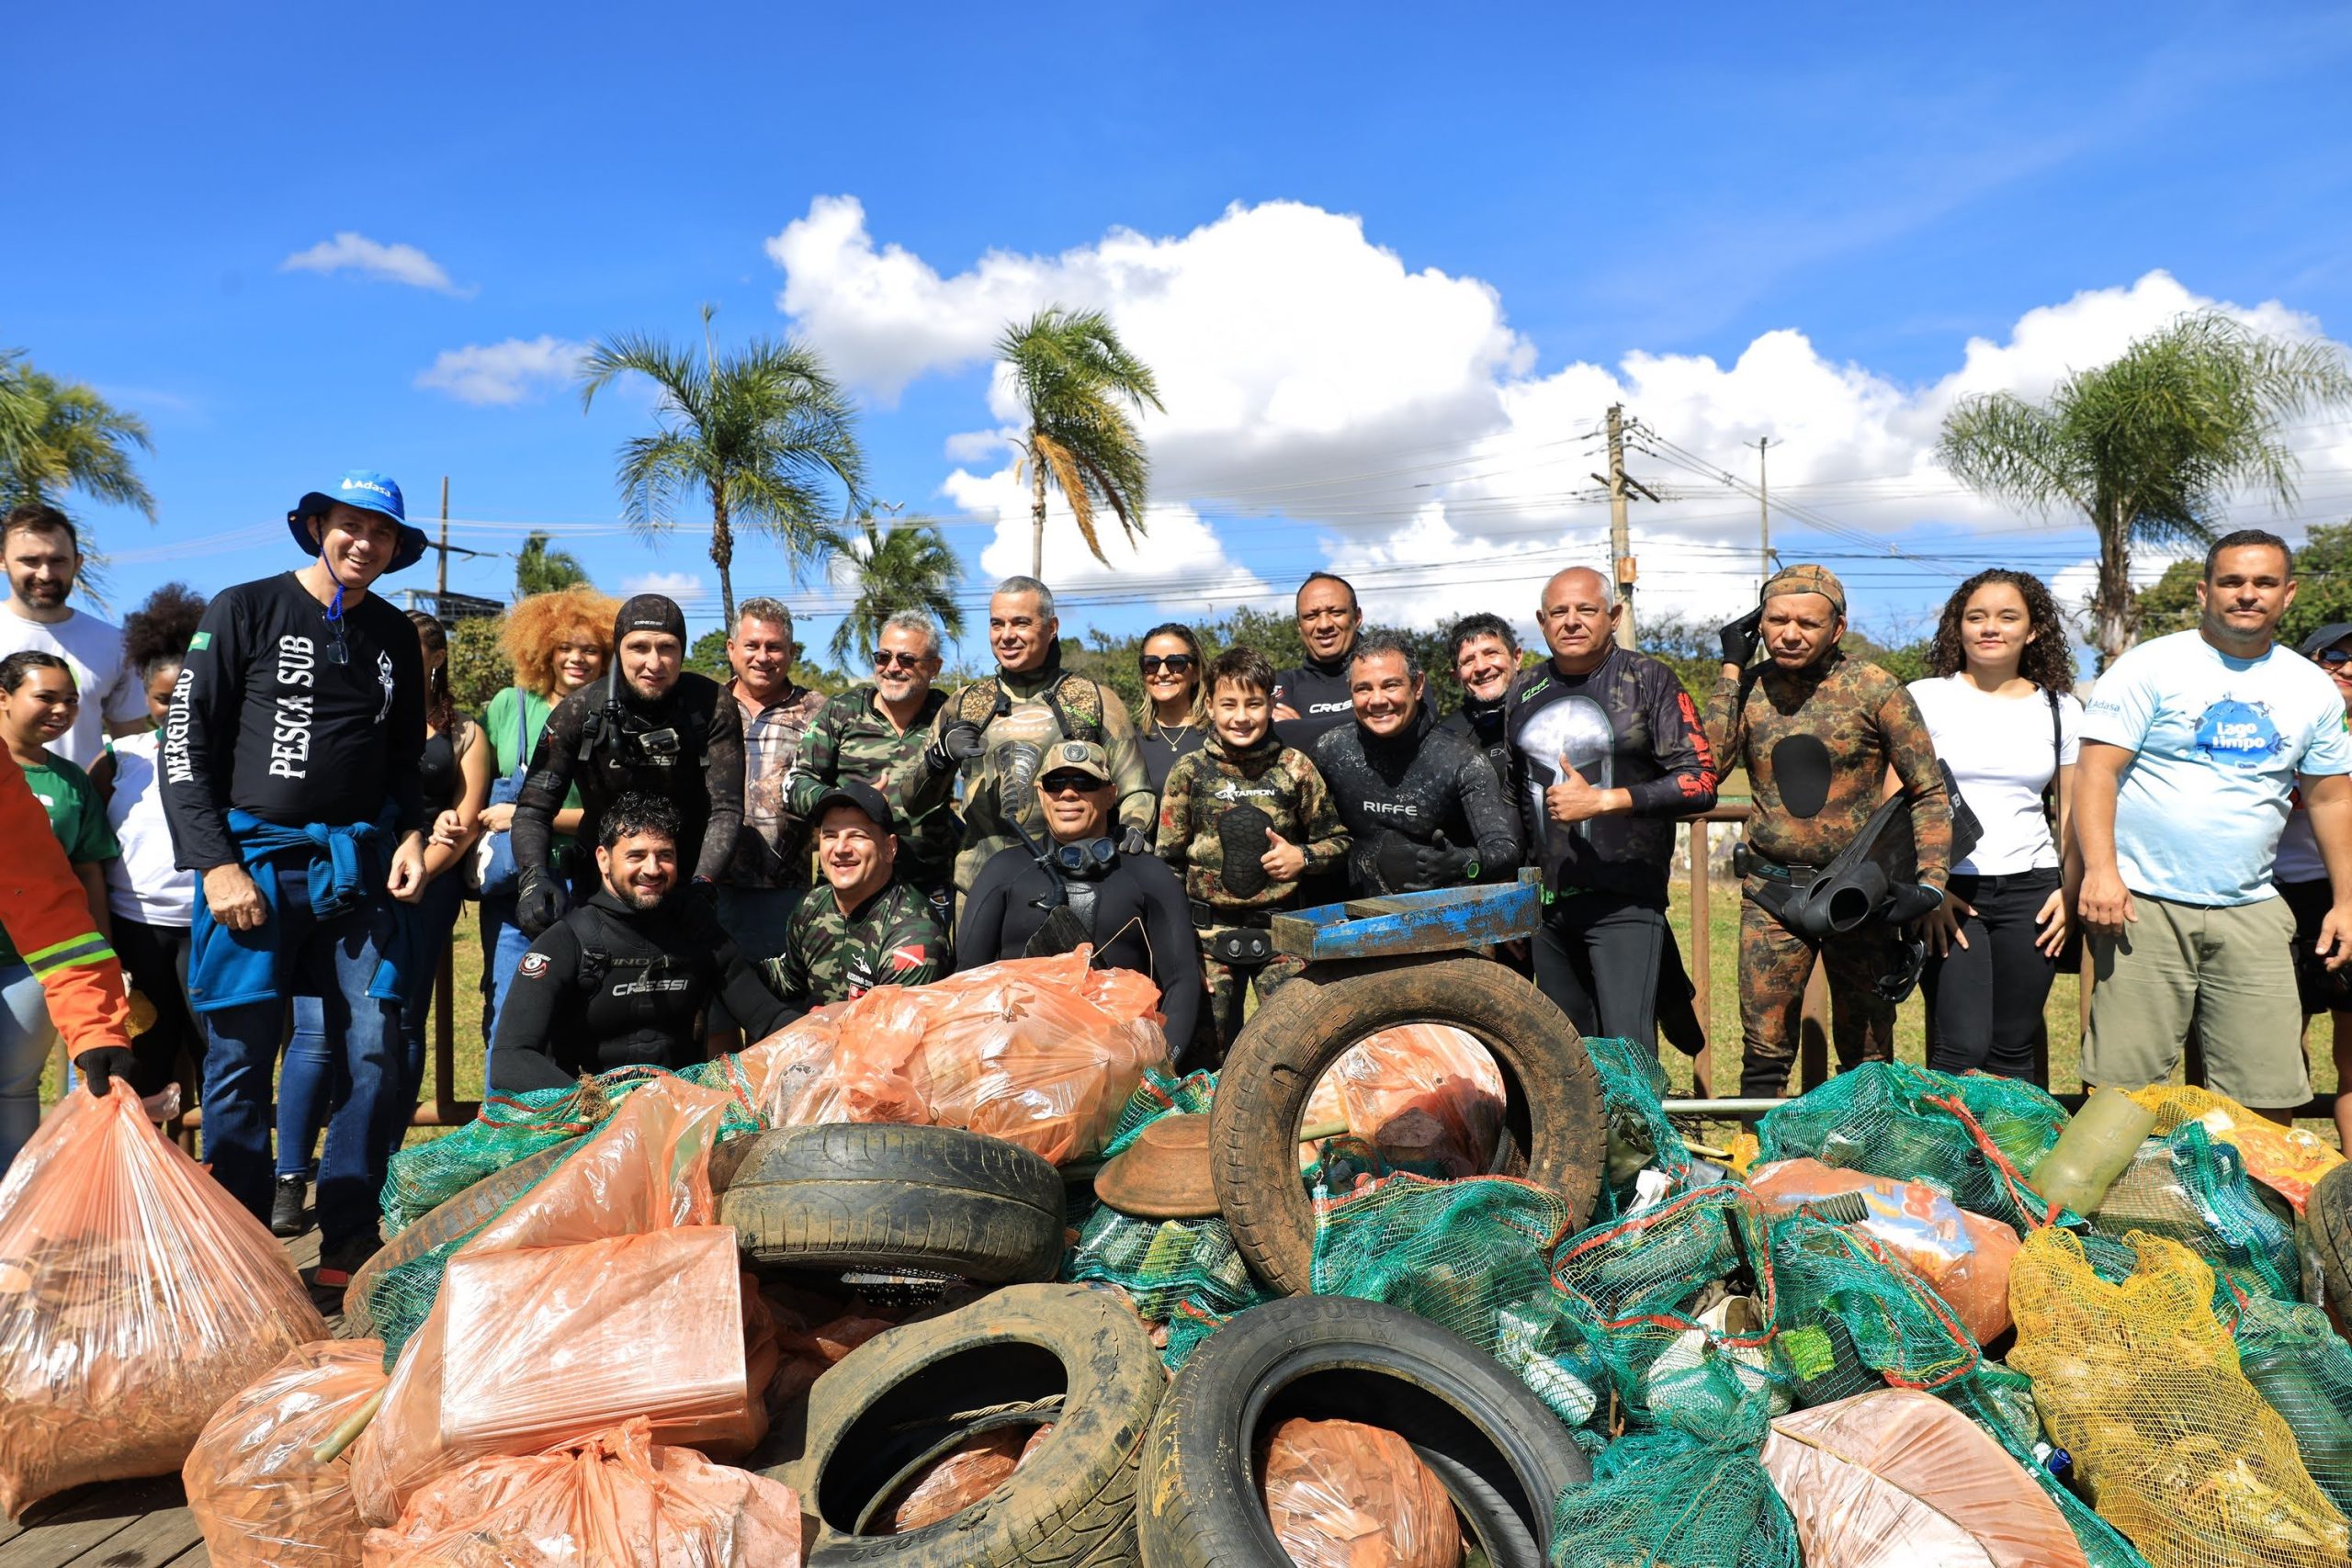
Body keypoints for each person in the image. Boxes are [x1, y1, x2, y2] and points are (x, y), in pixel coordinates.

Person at [160, 468, 430, 1298]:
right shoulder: (243, 608)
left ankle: (350, 1229)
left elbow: (404, 758)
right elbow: (186, 745)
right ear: (318, 526)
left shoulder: (392, 634)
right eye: (350, 526)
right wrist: (216, 865)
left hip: (353, 871)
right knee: (239, 1058)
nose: (364, 544)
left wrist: (413, 833)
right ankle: (239, 1251)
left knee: (375, 1047)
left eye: (381, 534)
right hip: (253, 870)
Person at [2077, 530, 2352, 1119]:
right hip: (2142, 905)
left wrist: (2347, 900)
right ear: (2205, 591)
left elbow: (2330, 800)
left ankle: (2245, 1212)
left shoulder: (2312, 689)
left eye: (2264, 583)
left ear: (2289, 594)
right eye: (2231, 582)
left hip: (2252, 908)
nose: (2246, 594)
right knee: (2122, 1098)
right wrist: (2101, 872)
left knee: (2264, 1096)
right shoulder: (2150, 665)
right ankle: (2113, 1211)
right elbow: (2095, 772)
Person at [271, 609, 490, 1235]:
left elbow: (465, 812)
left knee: (402, 1026)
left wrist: (429, 865)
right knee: (315, 1028)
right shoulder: (355, 712)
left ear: (436, 658)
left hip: (427, 885)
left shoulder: (464, 731)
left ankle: (381, 1166)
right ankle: (291, 1176)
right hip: (349, 877)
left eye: (409, 652)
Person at [1705, 564, 1951, 1097]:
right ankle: (1759, 1166)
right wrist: (1729, 668)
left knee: (1866, 1051)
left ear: (1837, 628)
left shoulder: (1874, 687)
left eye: (1808, 624)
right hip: (1771, 892)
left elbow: (1927, 790)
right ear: (1760, 625)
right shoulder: (1748, 688)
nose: (1790, 634)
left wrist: (1930, 883)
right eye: (1777, 620)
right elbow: (1708, 769)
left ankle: (1867, 1157)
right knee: (1764, 1049)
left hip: (1856, 897)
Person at [1508, 567, 1718, 1055]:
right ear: (1542, 622)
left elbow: (1701, 779)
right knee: (1568, 1060)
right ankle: (1584, 1137)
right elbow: (1511, 798)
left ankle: (1642, 1133)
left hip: (1626, 901)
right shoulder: (1524, 690)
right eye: (1558, 612)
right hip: (1547, 908)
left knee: (1628, 1055)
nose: (1572, 622)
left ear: (1615, 616)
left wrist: (1606, 801)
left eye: (1586, 610)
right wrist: (1515, 899)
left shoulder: (1648, 679)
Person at [490, 793, 787, 1091]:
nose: (652, 869)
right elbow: (510, 1060)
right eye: (636, 856)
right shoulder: (565, 942)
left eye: (665, 855)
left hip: (678, 1118)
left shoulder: (697, 934)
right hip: (590, 1123)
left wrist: (831, 1027)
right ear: (603, 860)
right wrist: (597, 1108)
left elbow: (768, 1017)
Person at [1908, 570, 2080, 1086]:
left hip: (2034, 890)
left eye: (2008, 617)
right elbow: (1898, 800)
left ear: (2031, 631)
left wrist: (2069, 891)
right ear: (1957, 627)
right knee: (1960, 1045)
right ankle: (1947, 1166)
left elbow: (2071, 813)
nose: (1990, 628)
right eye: (1976, 617)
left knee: (2013, 1045)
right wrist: (1929, 890)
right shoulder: (1925, 697)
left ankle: (2014, 1166)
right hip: (1949, 888)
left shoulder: (2060, 709)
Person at [895, 578, 1154, 905]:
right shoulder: (964, 704)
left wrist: (1134, 826)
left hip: (1074, 885)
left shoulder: (1094, 700)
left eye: (1021, 622)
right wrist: (939, 758)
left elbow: (1136, 789)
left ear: (1052, 627)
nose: (1007, 635)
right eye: (997, 624)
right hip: (979, 889)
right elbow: (912, 801)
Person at [509, 593, 744, 937]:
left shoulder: (712, 706)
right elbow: (533, 808)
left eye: (667, 647)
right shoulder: (578, 712)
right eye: (639, 648)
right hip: (599, 886)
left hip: (686, 882)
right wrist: (534, 877)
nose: (655, 662)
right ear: (618, 650)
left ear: (682, 651)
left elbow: (727, 808)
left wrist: (703, 885)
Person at [1156, 647, 1347, 1063]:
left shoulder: (1295, 767)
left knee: (1295, 1056)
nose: (1241, 716)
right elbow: (1166, 865)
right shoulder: (1190, 771)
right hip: (1205, 941)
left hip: (1283, 937)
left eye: (1254, 704)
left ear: (1271, 704)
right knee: (1200, 1063)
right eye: (1229, 704)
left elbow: (1339, 841)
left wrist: (1304, 857)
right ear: (1209, 705)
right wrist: (1178, 954)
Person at [956, 739, 1201, 1051]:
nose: (1068, 793)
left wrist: (1157, 1073)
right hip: (1019, 1064)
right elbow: (965, 980)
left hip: (1120, 1066)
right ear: (1041, 793)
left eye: (1085, 782)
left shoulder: (1149, 875)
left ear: (1111, 794)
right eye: (1055, 783)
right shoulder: (1002, 871)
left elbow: (1182, 983)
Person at [476, 586, 616, 1038]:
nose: (577, 658)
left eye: (590, 649)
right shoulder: (508, 706)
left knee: (581, 1008)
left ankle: (576, 1109)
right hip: (514, 881)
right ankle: (507, 1108)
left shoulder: (615, 715)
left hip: (589, 881)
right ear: (543, 652)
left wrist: (522, 815)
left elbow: (613, 813)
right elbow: (476, 789)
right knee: (508, 1005)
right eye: (565, 648)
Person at [0, 653, 120, 1171]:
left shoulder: (52, 782)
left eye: (69, 699)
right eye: (45, 696)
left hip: (26, 964)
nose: (60, 709)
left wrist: (97, 1027)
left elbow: (53, 898)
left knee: (13, 1088)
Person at [1314, 633, 1521, 897]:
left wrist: (1465, 864)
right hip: (1351, 926)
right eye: (1363, 688)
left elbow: (1505, 851)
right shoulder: (1331, 751)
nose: (1377, 700)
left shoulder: (1461, 760)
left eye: (1391, 685)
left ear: (1418, 685)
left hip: (1443, 926)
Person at [102, 584, 207, 1103]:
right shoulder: (121, 757)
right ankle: (143, 1178)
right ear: (146, 698)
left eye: (188, 694)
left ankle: (225, 1173)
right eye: (166, 698)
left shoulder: (232, 759)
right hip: (136, 928)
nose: (177, 707)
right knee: (145, 1052)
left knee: (217, 1050)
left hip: (208, 925)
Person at [785, 610, 958, 916]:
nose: (892, 668)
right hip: (845, 885)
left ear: (934, 668)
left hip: (925, 888)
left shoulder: (948, 716)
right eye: (883, 657)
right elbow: (795, 782)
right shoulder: (843, 711)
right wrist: (846, 801)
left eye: (906, 659)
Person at [761, 780, 947, 1024]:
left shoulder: (914, 934)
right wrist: (725, 965)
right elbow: (789, 981)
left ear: (890, 848)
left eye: (857, 836)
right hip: (816, 1050)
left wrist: (825, 1023)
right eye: (830, 836)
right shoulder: (811, 905)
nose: (840, 848)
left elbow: (895, 1038)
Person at [716, 599, 830, 966]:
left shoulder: (818, 711)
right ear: (732, 649)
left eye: (774, 646)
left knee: (780, 1011)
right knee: (717, 1009)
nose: (762, 657)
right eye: (752, 645)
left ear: (791, 652)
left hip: (787, 892)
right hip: (711, 885)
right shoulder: (706, 706)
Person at [0, 503, 149, 773]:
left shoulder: (115, 644)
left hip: (82, 810)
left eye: (58, 561)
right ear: (2, 560)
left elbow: (130, 750)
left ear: (77, 563)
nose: (45, 574)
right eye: (30, 561)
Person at [2277, 621, 2352, 1147]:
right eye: (2333, 656)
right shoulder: (2276, 725)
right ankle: (2279, 1190)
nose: (2347, 668)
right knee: (2277, 1054)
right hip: (2277, 896)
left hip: (2346, 896)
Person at [1272, 572, 1363, 751]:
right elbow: (1278, 735)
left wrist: (1302, 728)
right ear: (1299, 625)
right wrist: (1372, 719)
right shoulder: (1283, 683)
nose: (1324, 625)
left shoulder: (1390, 669)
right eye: (1311, 616)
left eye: (1336, 612)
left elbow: (1420, 719)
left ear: (1357, 617)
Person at [1442, 612, 1522, 794]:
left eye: (1491, 653)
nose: (1481, 667)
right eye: (1468, 660)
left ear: (1516, 658)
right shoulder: (1447, 737)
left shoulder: (1550, 710)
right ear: (1456, 675)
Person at [1136, 623, 1208, 796]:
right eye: (1151, 663)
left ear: (1197, 672)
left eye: (1175, 662)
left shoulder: (1221, 737)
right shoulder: (1129, 743)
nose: (1161, 672)